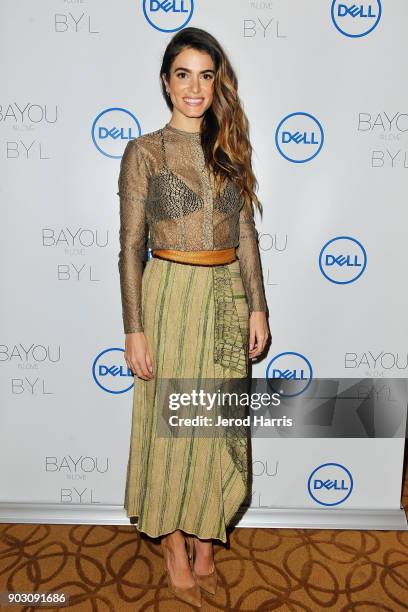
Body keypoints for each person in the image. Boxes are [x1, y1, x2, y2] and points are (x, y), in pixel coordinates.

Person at [117, 26, 270, 607]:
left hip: (228, 290)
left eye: (205, 75)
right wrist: (134, 327)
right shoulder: (145, 152)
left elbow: (247, 233)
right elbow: (130, 246)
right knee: (173, 418)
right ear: (165, 81)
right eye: (183, 74)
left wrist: (257, 304)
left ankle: (209, 526)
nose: (195, 87)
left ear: (216, 83)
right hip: (170, 293)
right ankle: (174, 540)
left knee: (218, 419)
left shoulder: (229, 147)